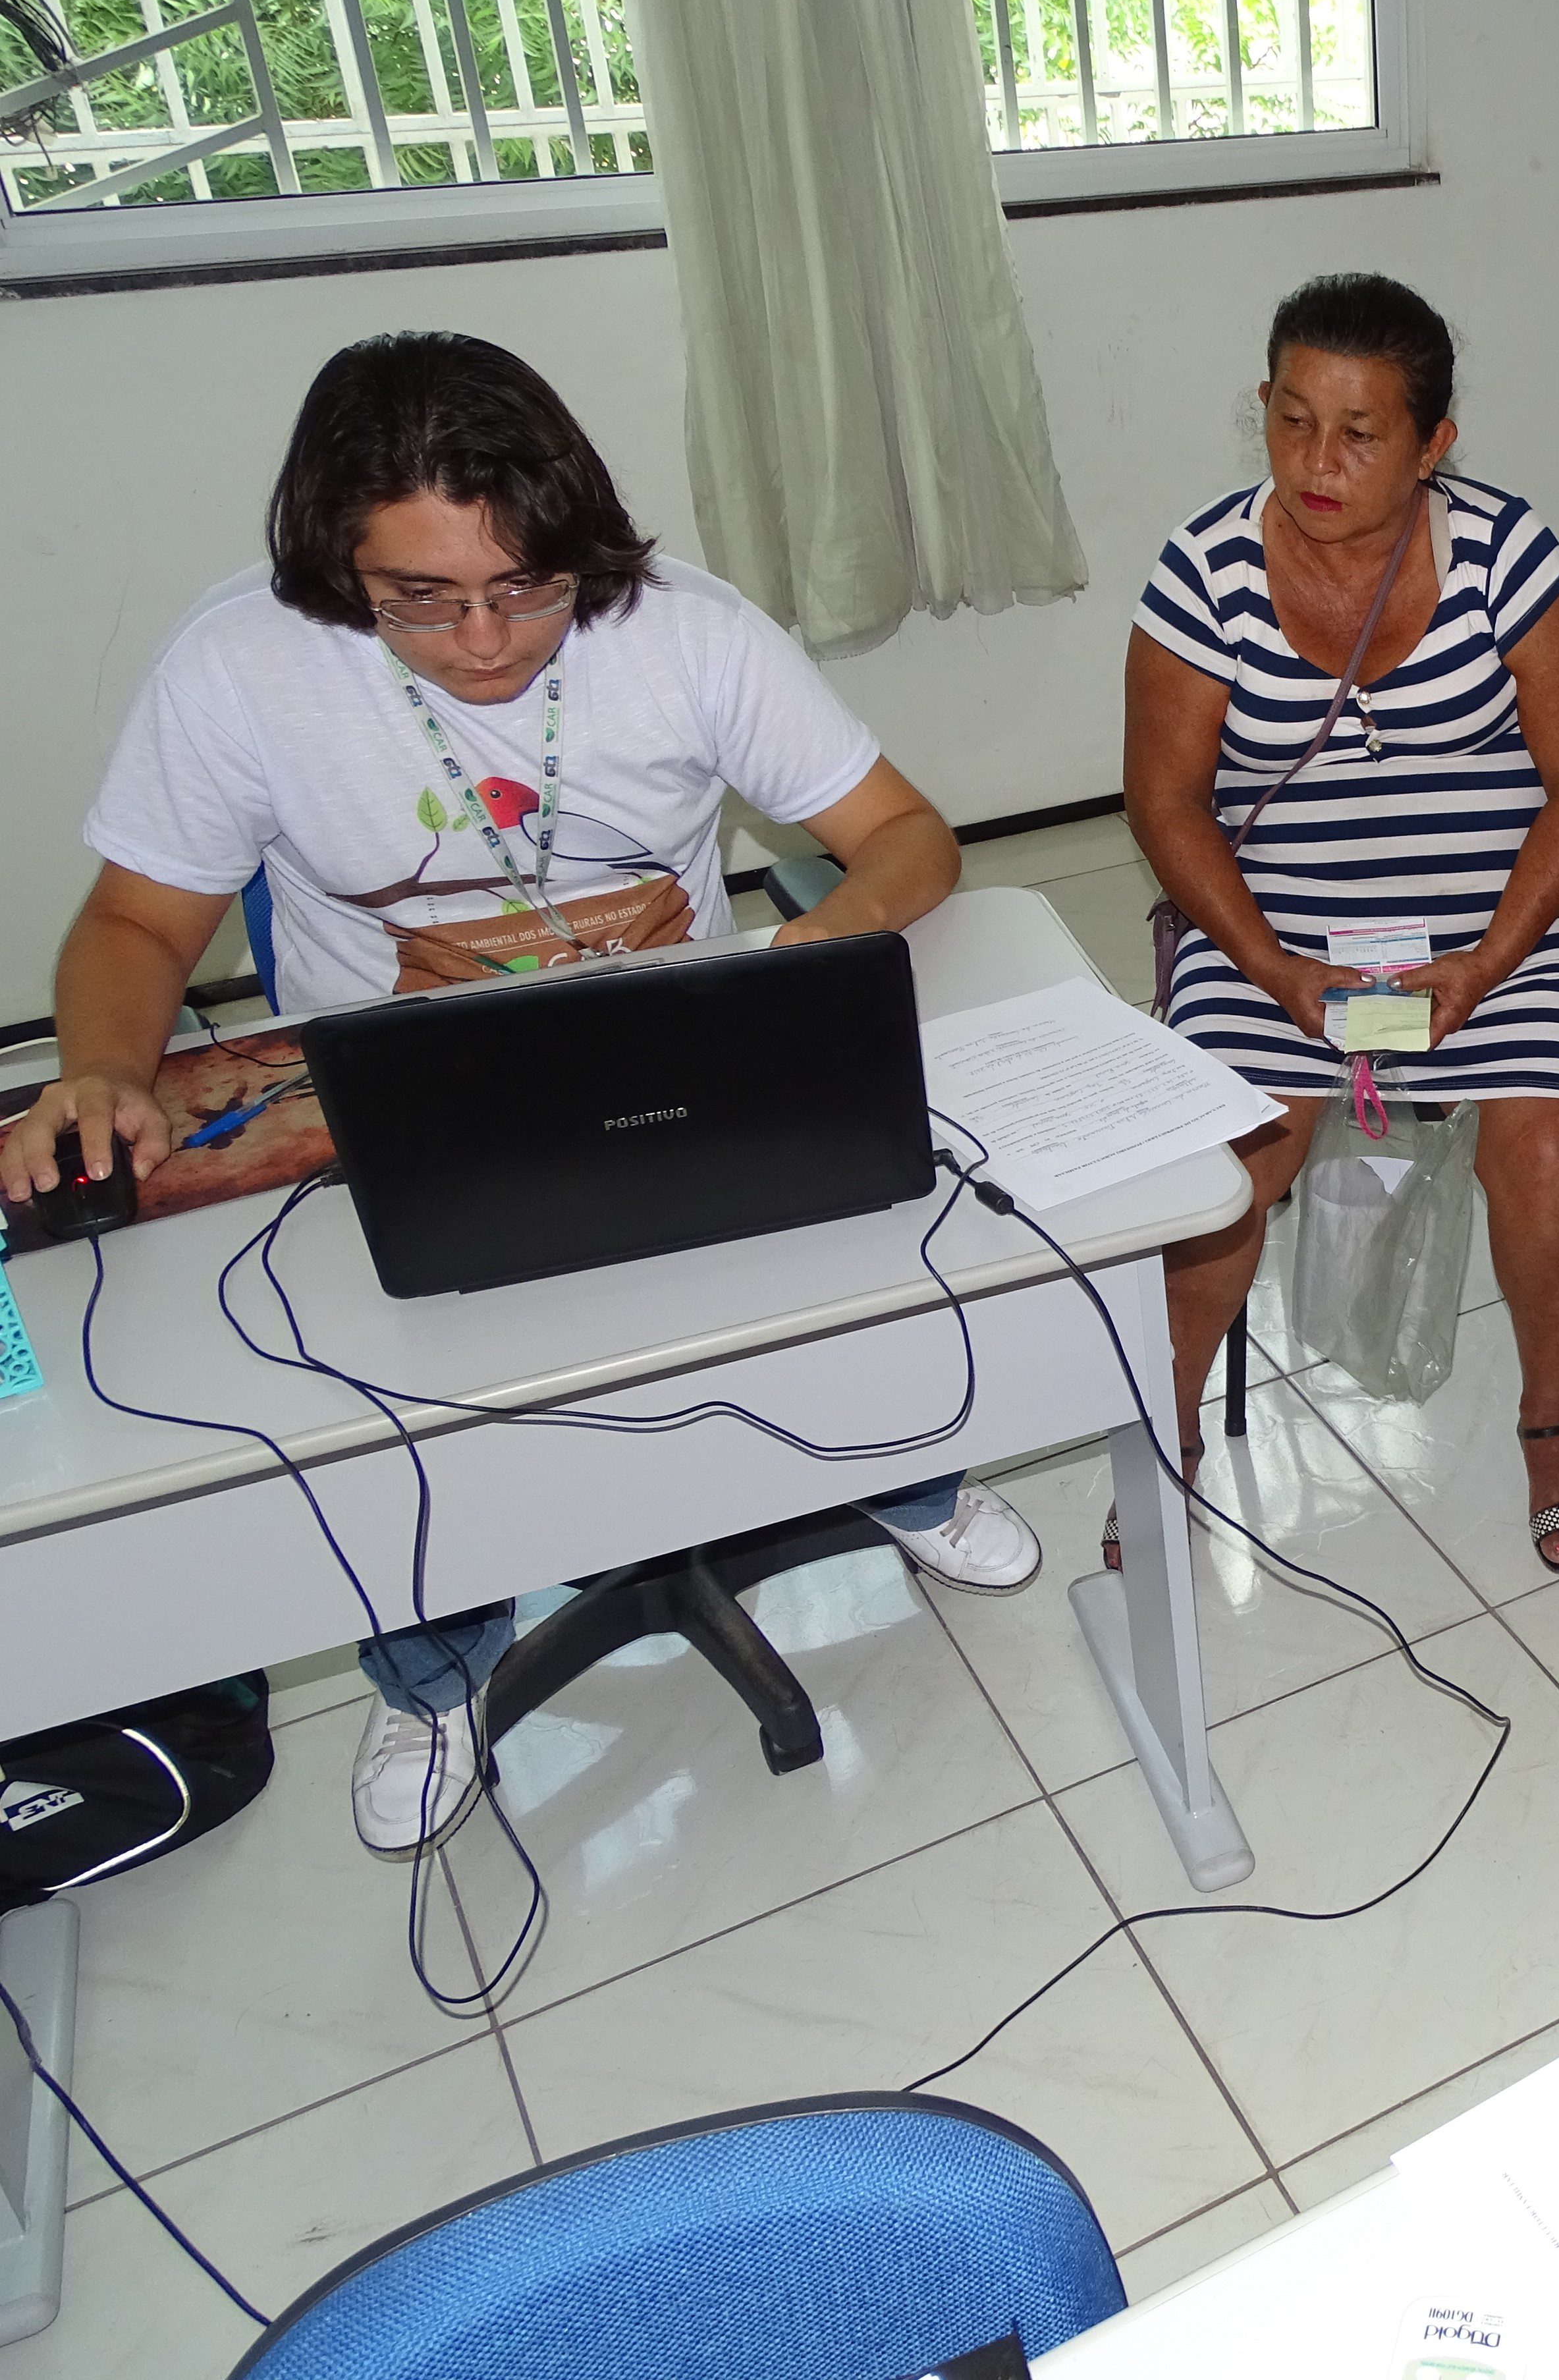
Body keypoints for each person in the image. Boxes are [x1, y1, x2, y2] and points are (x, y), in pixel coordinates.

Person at [0, 332, 1042, 1856]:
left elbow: (905, 836)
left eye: (528, 588)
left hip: (681, 1057)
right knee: (391, 1374)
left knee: (839, 1254)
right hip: (408, 1105)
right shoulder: (240, 667)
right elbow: (139, 926)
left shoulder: (687, 633)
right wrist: (101, 1066)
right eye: (420, 598)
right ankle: (430, 1672)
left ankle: (900, 1468)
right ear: (335, 566)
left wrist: (815, 943)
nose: (485, 641)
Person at [1128, 273, 1559, 1572]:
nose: (1317, 461)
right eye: (1292, 421)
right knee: (1218, 1181)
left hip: (1495, 929)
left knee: (1553, 1174)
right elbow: (1169, 804)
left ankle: (1551, 1416)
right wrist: (1274, 967)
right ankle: (1161, 1425)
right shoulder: (1204, 571)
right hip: (1278, 933)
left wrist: (1484, 963)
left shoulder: (1511, 561)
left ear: (1433, 447)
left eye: (1360, 433)